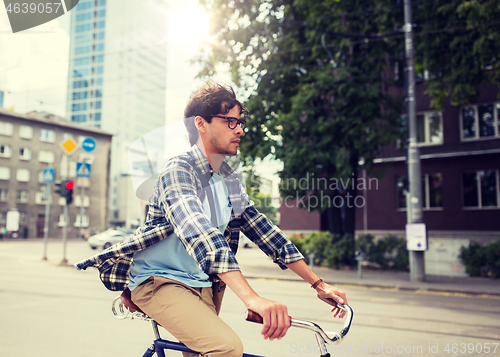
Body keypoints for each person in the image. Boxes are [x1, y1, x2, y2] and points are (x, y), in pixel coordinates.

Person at [76, 81, 348, 357]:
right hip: (159, 282)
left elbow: (264, 231)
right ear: (200, 124)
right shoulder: (178, 170)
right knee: (227, 347)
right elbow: (199, 231)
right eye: (230, 121)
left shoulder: (228, 178)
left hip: (204, 285)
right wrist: (251, 297)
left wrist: (318, 283)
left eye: (240, 122)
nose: (239, 129)